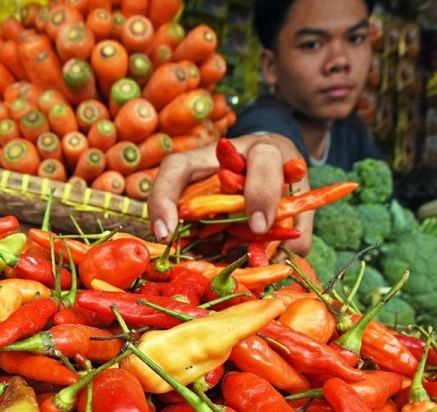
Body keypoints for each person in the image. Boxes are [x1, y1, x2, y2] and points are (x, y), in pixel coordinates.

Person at [148, 0, 379, 256]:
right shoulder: (263, 118)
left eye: (356, 38)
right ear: (270, 66)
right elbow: (266, 138)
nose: (340, 61)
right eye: (312, 44)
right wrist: (267, 144)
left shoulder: (354, 131)